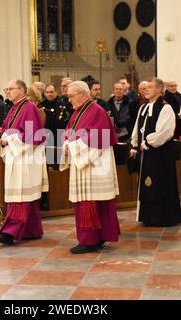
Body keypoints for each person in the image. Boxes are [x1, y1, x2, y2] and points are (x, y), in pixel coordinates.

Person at [60, 81, 120, 254]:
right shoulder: (78, 112)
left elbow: (98, 138)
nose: (69, 100)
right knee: (90, 202)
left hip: (95, 165)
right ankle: (97, 237)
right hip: (86, 163)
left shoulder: (96, 111)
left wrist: (71, 146)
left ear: (83, 94)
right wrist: (66, 142)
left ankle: (89, 241)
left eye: (71, 96)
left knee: (91, 202)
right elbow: (68, 131)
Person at [0, 79, 49, 245]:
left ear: (22, 90)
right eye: (6, 88)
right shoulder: (14, 108)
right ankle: (32, 230)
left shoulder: (29, 107)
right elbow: (6, 129)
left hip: (26, 159)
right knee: (26, 197)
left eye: (10, 88)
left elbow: (33, 136)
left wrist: (8, 139)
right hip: (17, 158)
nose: (7, 91)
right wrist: (4, 136)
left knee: (21, 197)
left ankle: (10, 232)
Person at [130, 77, 181, 227]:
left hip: (160, 154)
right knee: (146, 184)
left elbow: (164, 133)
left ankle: (162, 217)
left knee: (159, 183)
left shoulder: (166, 108)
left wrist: (146, 142)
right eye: (146, 88)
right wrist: (134, 146)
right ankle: (148, 216)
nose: (147, 90)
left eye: (150, 87)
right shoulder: (143, 108)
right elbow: (137, 129)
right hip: (144, 153)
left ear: (160, 89)